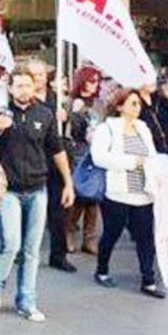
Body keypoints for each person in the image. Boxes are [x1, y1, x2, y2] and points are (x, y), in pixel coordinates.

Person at [0, 67, 75, 322]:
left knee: (31, 249)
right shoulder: (0, 115)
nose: (24, 90)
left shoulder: (44, 114)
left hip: (38, 188)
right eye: (19, 85)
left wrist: (68, 183)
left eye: (28, 85)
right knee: (11, 243)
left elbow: (57, 150)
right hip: (9, 189)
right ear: (11, 88)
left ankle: (27, 300)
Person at [91, 89, 165, 299]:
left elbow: (151, 156)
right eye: (132, 103)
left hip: (143, 192)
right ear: (120, 106)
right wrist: (131, 162)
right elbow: (99, 157)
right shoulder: (108, 129)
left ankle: (148, 279)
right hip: (118, 193)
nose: (137, 108)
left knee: (145, 236)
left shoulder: (143, 128)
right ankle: (102, 269)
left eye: (138, 104)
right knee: (112, 233)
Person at [27, 60, 76, 273]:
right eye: (34, 75)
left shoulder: (57, 100)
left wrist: (67, 117)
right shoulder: (25, 101)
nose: (39, 79)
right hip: (32, 160)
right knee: (30, 211)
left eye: (41, 74)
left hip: (56, 158)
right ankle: (24, 253)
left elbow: (76, 126)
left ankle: (59, 254)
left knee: (58, 212)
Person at [68, 66, 103, 255]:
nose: (94, 84)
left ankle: (90, 238)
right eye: (91, 80)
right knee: (80, 193)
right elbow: (72, 130)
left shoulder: (98, 104)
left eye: (97, 81)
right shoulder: (73, 103)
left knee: (94, 195)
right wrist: (76, 114)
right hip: (80, 151)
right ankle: (70, 231)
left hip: (97, 151)